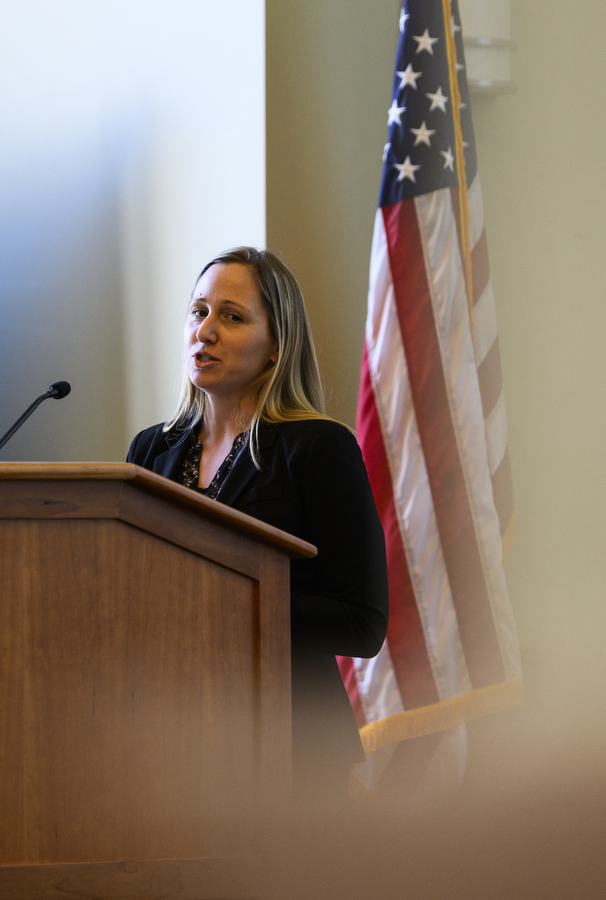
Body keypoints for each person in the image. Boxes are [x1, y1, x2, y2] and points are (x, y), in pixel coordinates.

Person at [127, 246, 388, 793]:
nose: (206, 331)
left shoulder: (318, 448)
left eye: (232, 316)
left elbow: (362, 624)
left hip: (288, 745)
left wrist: (221, 599)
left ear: (276, 347)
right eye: (198, 312)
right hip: (167, 739)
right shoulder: (153, 450)